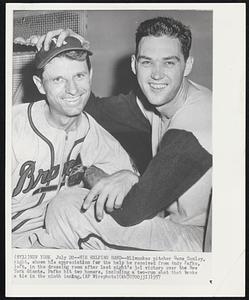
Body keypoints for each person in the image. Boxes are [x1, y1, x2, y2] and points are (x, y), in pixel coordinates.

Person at [17, 16, 212, 251]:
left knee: (68, 207)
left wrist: (120, 176)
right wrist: (68, 50)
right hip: (169, 224)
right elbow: (85, 108)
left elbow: (132, 210)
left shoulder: (197, 122)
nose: (157, 74)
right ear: (134, 64)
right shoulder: (154, 105)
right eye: (147, 62)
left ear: (187, 65)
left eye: (169, 63)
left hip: (202, 244)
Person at [12, 36, 137, 248]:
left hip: (60, 233)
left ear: (90, 75)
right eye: (58, 79)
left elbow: (131, 176)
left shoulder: (89, 129)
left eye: (79, 76)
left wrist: (128, 176)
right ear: (40, 85)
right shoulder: (14, 128)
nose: (72, 89)